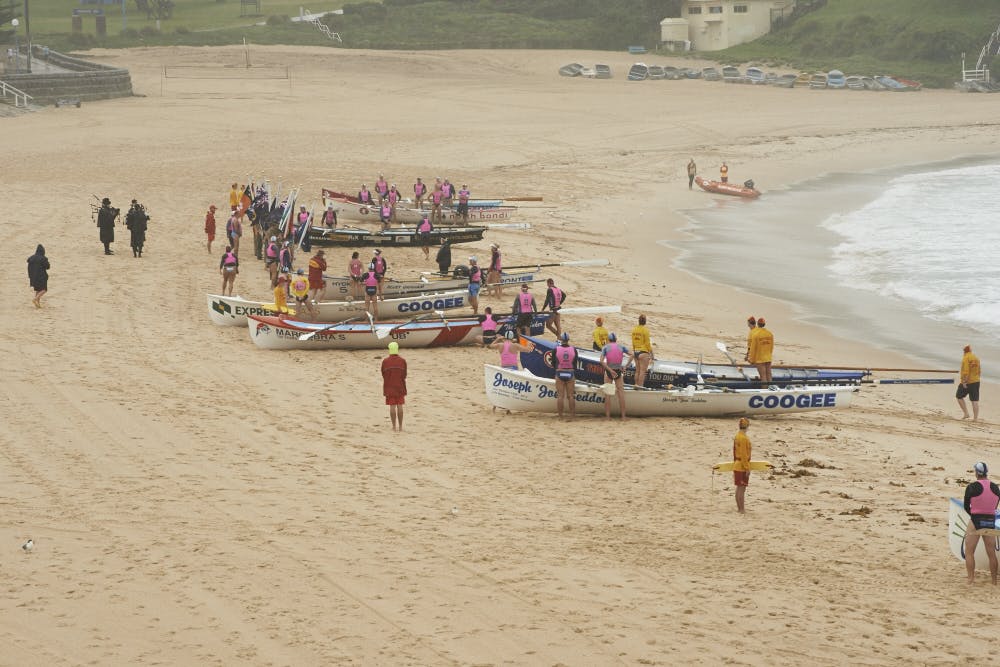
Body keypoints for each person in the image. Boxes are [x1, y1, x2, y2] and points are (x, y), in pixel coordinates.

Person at [964, 461, 999, 585]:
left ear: (976, 473)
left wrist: (974, 515)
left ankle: (970, 579)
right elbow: (995, 505)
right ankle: (994, 581)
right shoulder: (995, 487)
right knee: (991, 553)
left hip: (976, 520)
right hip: (990, 521)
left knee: (969, 551)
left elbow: (966, 506)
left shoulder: (972, 487)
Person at [600, 332, 632, 420]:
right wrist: (625, 366)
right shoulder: (621, 347)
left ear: (608, 340)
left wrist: (610, 370)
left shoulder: (605, 347)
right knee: (621, 393)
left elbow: (601, 361)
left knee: (607, 394)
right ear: (616, 340)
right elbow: (632, 354)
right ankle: (623, 416)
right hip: (618, 370)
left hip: (609, 370)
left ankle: (607, 417)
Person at [381, 341, 407, 432]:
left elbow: (383, 374)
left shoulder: (385, 361)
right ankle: (400, 427)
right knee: (400, 405)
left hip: (389, 386)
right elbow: (404, 375)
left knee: (392, 406)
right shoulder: (402, 361)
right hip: (400, 386)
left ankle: (394, 426)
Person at [553, 332, 577, 420]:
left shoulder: (556, 349)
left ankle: (560, 416)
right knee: (571, 396)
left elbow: (553, 363)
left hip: (560, 372)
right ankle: (572, 416)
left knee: (560, 396)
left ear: (561, 340)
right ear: (568, 340)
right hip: (570, 373)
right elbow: (575, 363)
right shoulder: (573, 349)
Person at [957, 345, 982, 421]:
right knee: (974, 400)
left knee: (959, 396)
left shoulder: (966, 358)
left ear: (964, 351)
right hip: (976, 381)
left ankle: (966, 413)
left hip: (967, 381)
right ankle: (975, 418)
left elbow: (966, 371)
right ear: (970, 351)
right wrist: (977, 378)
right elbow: (979, 370)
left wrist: (964, 382)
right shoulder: (976, 358)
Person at [733, 417, 752, 514]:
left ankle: (739, 508)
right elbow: (744, 455)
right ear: (747, 426)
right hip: (742, 465)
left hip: (737, 464)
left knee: (738, 488)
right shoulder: (744, 438)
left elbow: (734, 451)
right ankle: (741, 509)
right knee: (742, 488)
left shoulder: (737, 436)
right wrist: (747, 468)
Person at [630, 314, 653, 388]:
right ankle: (640, 387)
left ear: (639, 321)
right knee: (642, 372)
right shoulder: (645, 330)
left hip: (636, 351)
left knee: (637, 371)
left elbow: (633, 342)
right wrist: (651, 353)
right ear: (645, 321)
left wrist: (634, 350)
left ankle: (636, 385)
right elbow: (647, 343)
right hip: (643, 352)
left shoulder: (634, 329)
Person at [750, 317, 774, 383]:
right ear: (764, 324)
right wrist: (769, 355)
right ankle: (771, 390)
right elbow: (771, 347)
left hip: (760, 359)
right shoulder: (770, 334)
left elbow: (753, 349)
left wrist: (751, 360)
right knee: (769, 375)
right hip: (768, 357)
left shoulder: (756, 335)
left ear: (758, 324)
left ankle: (765, 390)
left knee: (763, 377)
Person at [27, 244, 49, 308]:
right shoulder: (43, 258)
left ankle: (38, 304)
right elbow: (47, 267)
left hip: (33, 277)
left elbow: (28, 263)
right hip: (41, 276)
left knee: (38, 290)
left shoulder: (31, 258)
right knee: (44, 289)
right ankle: (35, 299)